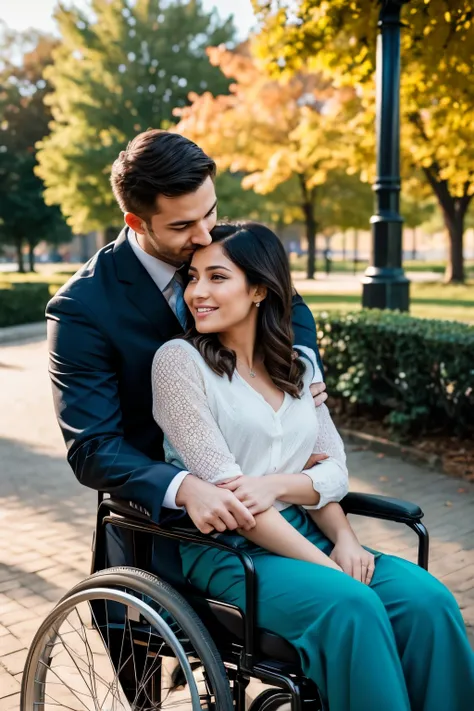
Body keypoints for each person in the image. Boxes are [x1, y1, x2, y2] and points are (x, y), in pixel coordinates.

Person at [151, 222, 474, 711]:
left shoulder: (298, 365)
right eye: (193, 278)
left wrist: (344, 540)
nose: (198, 292)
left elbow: (333, 473)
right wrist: (328, 566)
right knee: (353, 606)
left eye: (217, 278)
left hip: (309, 529)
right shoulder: (179, 363)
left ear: (259, 289)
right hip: (228, 548)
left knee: (427, 601)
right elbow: (235, 497)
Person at [46, 129, 326, 580]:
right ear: (137, 222)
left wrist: (303, 362)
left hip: (272, 497)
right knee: (138, 644)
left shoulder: (223, 243)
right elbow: (93, 447)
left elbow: (287, 302)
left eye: (210, 213)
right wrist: (184, 487)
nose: (204, 235)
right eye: (181, 226)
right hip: (162, 523)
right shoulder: (82, 308)